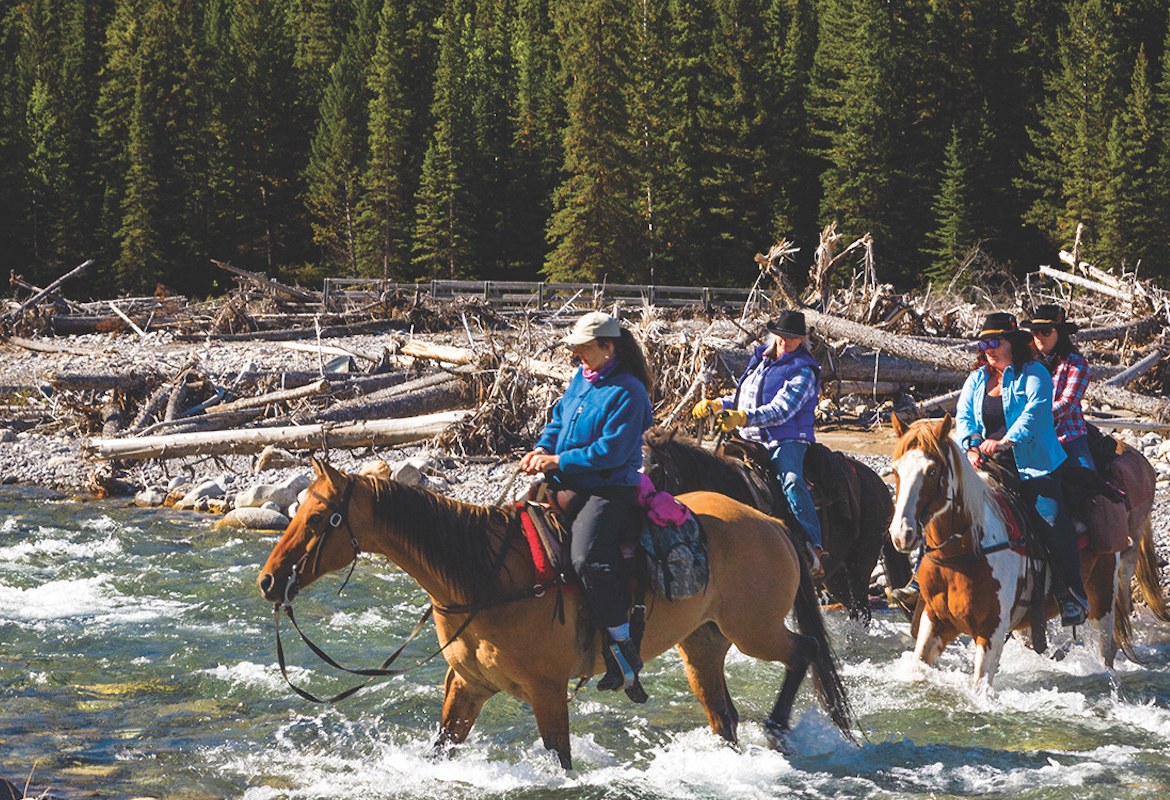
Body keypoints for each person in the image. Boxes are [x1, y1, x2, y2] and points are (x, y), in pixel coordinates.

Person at [519, 311, 654, 693]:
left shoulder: (629, 391)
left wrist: (559, 460)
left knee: (586, 557)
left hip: (609, 487)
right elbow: (559, 419)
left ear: (608, 348)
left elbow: (611, 451)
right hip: (568, 479)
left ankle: (623, 644)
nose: (577, 355)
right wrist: (544, 446)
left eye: (583, 348)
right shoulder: (582, 378)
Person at [954, 311, 1088, 626]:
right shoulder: (976, 379)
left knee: (1052, 518)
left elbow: (1036, 414)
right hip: (988, 465)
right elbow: (964, 418)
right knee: (942, 503)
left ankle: (1072, 596)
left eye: (995, 341)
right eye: (984, 341)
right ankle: (924, 575)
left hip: (1033, 465)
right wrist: (971, 445)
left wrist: (1005, 441)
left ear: (1012, 342)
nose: (989, 347)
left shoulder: (1035, 373)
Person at [690, 309, 824, 577]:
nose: (784, 342)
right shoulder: (761, 360)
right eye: (781, 336)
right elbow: (746, 397)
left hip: (786, 439)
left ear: (802, 340)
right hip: (750, 437)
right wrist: (719, 404)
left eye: (792, 338)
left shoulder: (805, 371)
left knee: (791, 481)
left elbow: (782, 409)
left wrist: (742, 418)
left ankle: (813, 546)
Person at [1023, 304, 1095, 473]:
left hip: (1067, 435)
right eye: (1035, 332)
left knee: (1087, 480)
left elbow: (1067, 403)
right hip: (1031, 436)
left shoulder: (1077, 363)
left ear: (1059, 333)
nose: (1039, 336)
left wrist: (1033, 417)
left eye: (1045, 331)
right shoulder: (1027, 364)